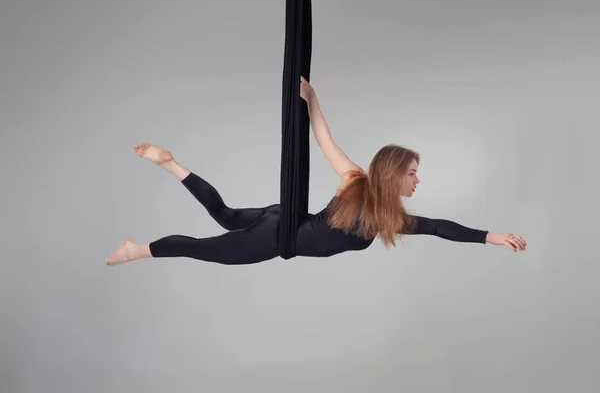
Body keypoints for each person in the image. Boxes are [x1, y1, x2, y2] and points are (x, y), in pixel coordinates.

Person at [105, 77, 526, 266]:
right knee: (203, 248)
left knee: (227, 217)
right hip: (279, 235)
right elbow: (436, 227)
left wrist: (314, 103)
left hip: (283, 220)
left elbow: (325, 142)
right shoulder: (383, 212)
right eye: (413, 173)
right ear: (395, 174)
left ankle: (171, 164)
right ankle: (135, 250)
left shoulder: (357, 181)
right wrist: (310, 100)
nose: (418, 180)